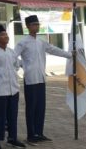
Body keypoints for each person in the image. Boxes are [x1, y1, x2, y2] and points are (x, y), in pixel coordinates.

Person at [17, 15, 70, 143]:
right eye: (34, 24)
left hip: (41, 78)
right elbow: (13, 56)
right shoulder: (23, 42)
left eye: (37, 24)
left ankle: (39, 133)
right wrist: (23, 65)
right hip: (30, 79)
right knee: (31, 108)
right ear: (28, 26)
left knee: (41, 107)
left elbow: (53, 50)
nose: (37, 26)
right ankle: (31, 135)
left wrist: (69, 55)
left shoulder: (41, 42)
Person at [0, 25, 27, 149]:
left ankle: (12, 138)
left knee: (12, 115)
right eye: (2, 35)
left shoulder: (11, 52)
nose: (6, 36)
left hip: (13, 89)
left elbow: (16, 66)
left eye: (6, 34)